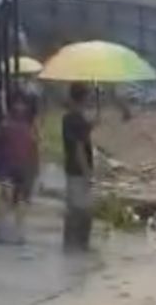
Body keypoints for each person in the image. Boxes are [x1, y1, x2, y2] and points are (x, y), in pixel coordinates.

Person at [0, 95, 39, 244]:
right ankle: (18, 234)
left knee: (4, 199)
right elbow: (34, 152)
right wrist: (34, 172)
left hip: (8, 170)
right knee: (19, 201)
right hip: (23, 170)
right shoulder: (29, 131)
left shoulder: (6, 128)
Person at [62, 82, 94, 252]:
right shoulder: (78, 120)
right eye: (88, 96)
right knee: (83, 211)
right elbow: (79, 148)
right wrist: (87, 173)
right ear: (84, 97)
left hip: (70, 169)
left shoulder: (68, 118)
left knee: (73, 209)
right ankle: (80, 248)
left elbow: (81, 134)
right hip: (79, 171)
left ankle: (70, 247)